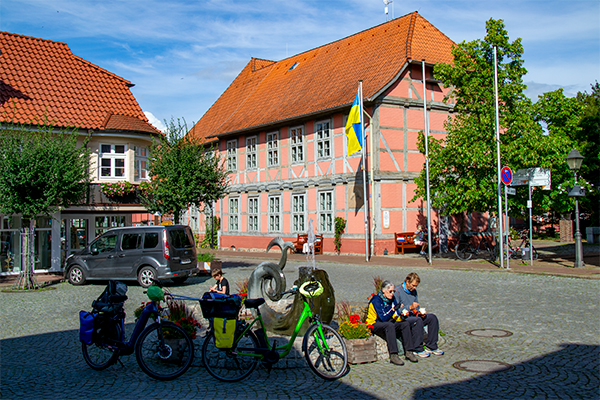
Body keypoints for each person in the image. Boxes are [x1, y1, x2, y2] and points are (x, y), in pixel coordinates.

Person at [365, 280, 419, 364]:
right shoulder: (376, 300)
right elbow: (383, 317)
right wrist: (393, 310)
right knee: (389, 325)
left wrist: (401, 317)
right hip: (374, 323)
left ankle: (409, 351)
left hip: (388, 321)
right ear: (384, 291)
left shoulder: (392, 299)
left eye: (393, 291)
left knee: (405, 324)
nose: (392, 293)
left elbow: (394, 315)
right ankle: (393, 354)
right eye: (390, 291)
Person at [394, 272, 444, 358]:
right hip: (403, 318)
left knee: (432, 318)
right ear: (407, 282)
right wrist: (409, 307)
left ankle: (431, 345)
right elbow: (396, 310)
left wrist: (421, 312)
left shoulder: (414, 292)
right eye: (413, 285)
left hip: (414, 315)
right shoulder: (397, 291)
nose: (414, 288)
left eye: (416, 286)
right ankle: (417, 348)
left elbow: (417, 306)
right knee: (417, 321)